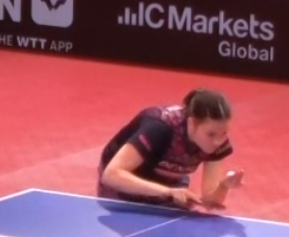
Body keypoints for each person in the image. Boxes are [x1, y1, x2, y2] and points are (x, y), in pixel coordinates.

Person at [97, 88, 245, 210]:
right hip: (125, 183)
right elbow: (112, 175)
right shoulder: (159, 127)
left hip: (168, 180)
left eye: (224, 133)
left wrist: (223, 187)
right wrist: (166, 191)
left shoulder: (218, 141)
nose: (218, 141)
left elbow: (208, 201)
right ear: (191, 123)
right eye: (211, 134)